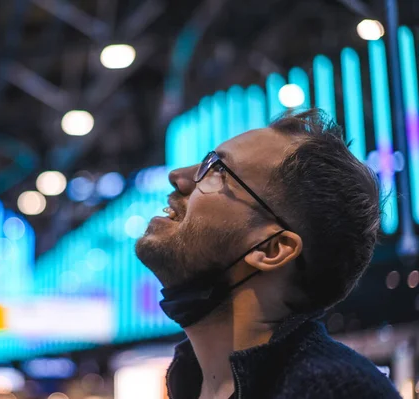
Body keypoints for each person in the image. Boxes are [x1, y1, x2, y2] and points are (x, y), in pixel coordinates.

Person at [135, 108, 401, 399]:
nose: (178, 177)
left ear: (271, 248)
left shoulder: (336, 390)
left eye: (217, 170)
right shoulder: (189, 383)